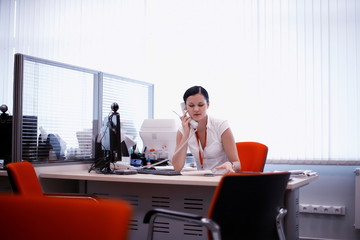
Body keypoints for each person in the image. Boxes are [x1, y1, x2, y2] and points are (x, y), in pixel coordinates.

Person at [172, 86, 241, 173]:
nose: (196, 109)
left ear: (208, 105)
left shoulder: (221, 126)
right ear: (185, 107)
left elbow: (238, 164)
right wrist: (186, 133)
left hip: (220, 179)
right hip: (201, 181)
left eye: (201, 105)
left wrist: (231, 165)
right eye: (191, 105)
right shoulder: (182, 130)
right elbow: (177, 168)